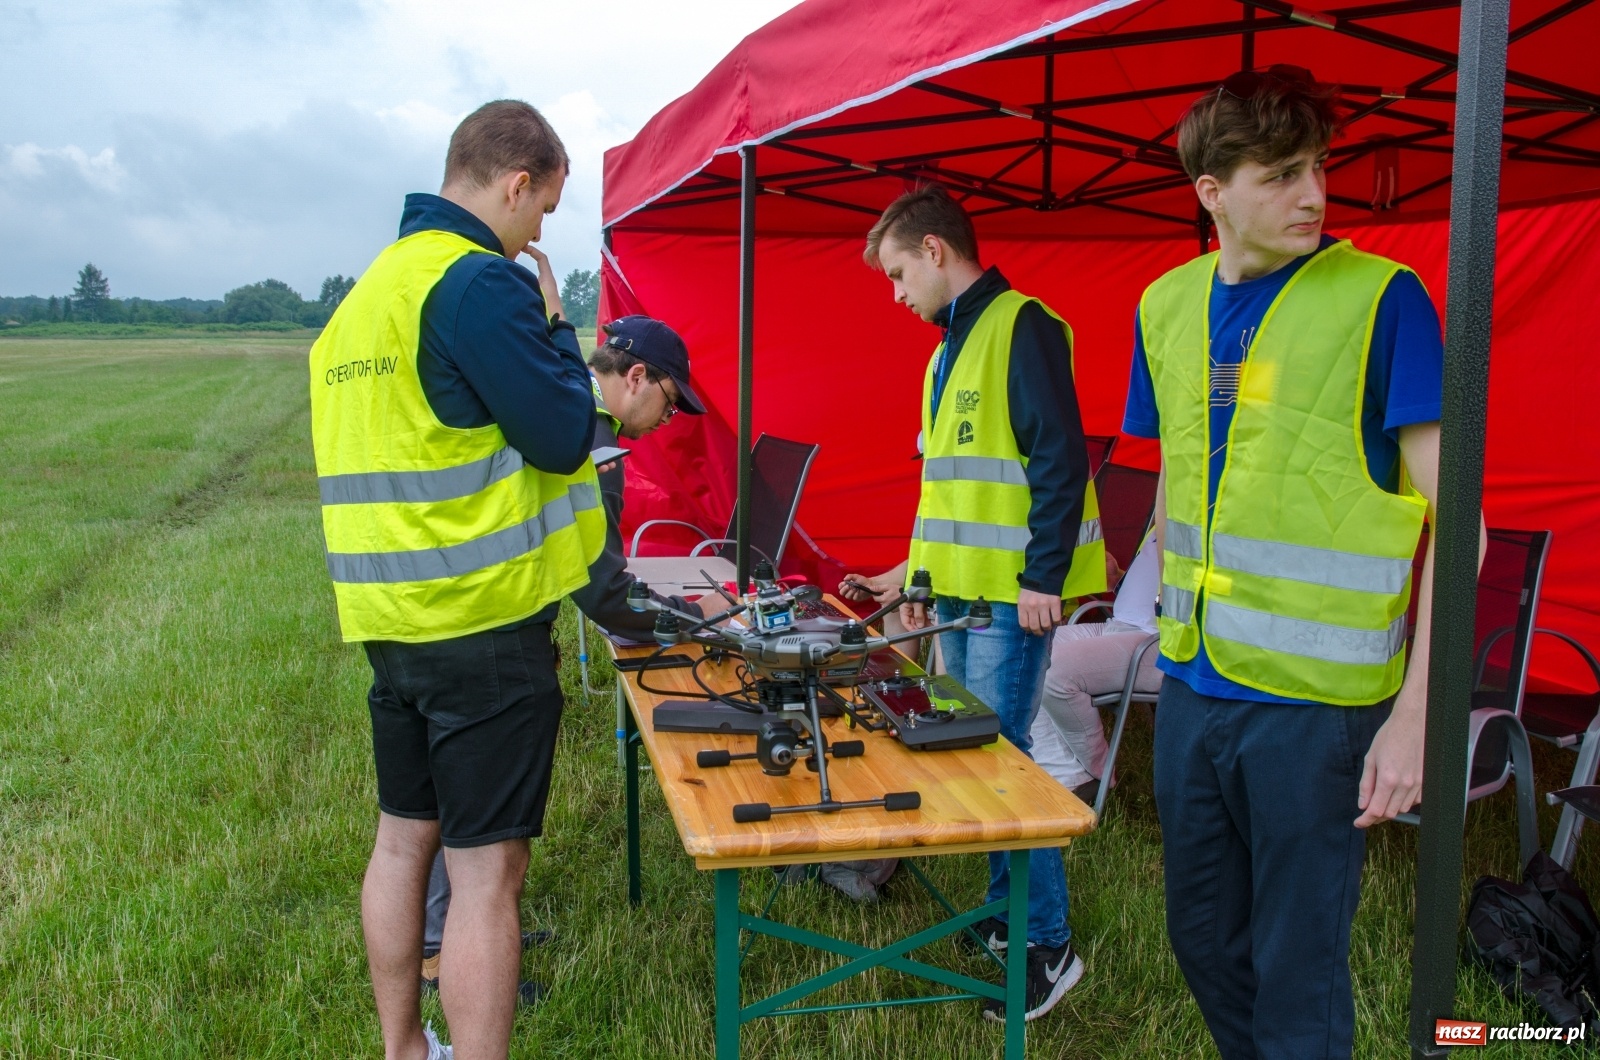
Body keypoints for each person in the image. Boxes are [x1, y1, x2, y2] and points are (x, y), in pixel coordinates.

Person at [1129, 67, 1481, 1059]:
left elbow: (1463, 526)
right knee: (1199, 938)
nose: (1313, 194)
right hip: (1193, 685)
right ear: (1211, 192)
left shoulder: (1382, 299)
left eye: (1317, 168)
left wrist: (1416, 716)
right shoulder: (1162, 307)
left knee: (1298, 964)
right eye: (1280, 175)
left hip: (1320, 709)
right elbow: (1177, 474)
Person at [309, 99, 606, 1060]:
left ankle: (403, 1050)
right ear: (516, 184)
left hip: (389, 625)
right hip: (480, 625)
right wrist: (559, 324)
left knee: (402, 842)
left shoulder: (363, 300)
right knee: (487, 878)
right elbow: (565, 434)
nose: (539, 234)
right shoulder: (477, 283)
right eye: (544, 211)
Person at [863, 184, 1107, 1023]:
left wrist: (1044, 575)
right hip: (961, 601)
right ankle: (1010, 920)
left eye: (899, 274)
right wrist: (915, 579)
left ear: (936, 251)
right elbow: (947, 493)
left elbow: (1059, 461)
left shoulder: (1023, 326)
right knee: (975, 759)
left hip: (1011, 601)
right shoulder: (945, 351)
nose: (897, 295)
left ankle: (1049, 943)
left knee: (1001, 770)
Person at [419, 316, 709, 997]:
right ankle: (443, 950)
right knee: (474, 810)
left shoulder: (554, 395)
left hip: (452, 610)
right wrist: (686, 622)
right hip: (489, 626)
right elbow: (601, 588)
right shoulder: (592, 438)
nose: (668, 420)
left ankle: (470, 931)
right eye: (670, 402)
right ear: (635, 378)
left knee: (456, 800)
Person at [1027, 536, 1162, 806]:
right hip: (1118, 624)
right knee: (1028, 651)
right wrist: (1119, 578)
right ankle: (1062, 772)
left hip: (1158, 641)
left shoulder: (1209, 509)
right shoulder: (1169, 508)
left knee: (1055, 669)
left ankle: (1097, 773)